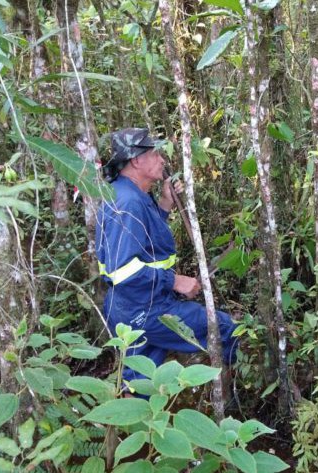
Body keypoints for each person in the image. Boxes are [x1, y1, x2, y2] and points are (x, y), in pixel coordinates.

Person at [96, 128, 238, 393]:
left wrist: (164, 203)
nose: (161, 159)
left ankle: (134, 427)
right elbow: (122, 270)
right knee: (225, 329)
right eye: (154, 153)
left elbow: (144, 245)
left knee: (140, 384)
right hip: (144, 308)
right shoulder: (127, 203)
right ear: (136, 160)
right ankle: (231, 393)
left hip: (135, 305)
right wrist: (174, 280)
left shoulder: (133, 195)